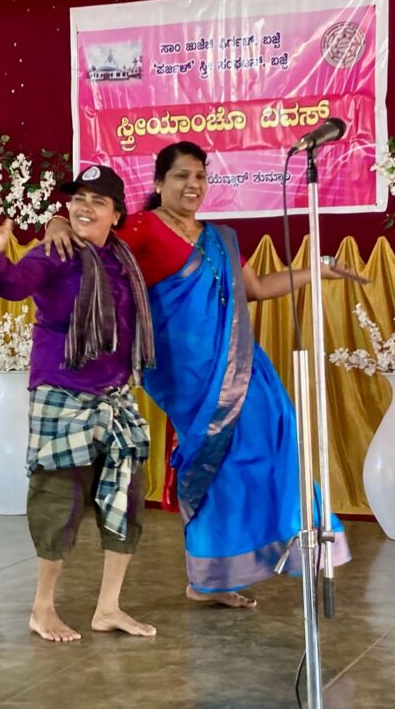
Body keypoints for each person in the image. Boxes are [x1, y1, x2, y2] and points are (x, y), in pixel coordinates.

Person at [44, 141, 360, 607]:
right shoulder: (142, 227)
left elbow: (256, 288)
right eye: (181, 176)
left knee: (276, 433)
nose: (192, 185)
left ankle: (219, 574)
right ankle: (213, 573)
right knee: (213, 459)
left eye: (200, 176)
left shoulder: (219, 238)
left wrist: (316, 271)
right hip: (183, 370)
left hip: (239, 360)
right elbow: (92, 234)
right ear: (158, 183)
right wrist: (56, 221)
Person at [0, 164, 157, 641]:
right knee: (58, 499)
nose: (84, 208)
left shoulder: (123, 261)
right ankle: (42, 608)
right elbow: (12, 284)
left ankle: (108, 608)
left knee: (126, 497)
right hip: (62, 391)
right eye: (77, 199)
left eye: (97, 201)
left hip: (115, 396)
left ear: (116, 215)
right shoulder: (55, 251)